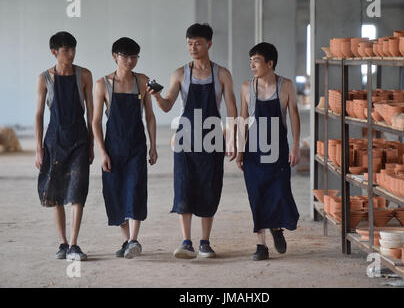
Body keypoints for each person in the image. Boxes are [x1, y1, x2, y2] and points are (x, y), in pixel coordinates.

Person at [147, 23, 237, 259]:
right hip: (186, 137)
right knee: (184, 187)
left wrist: (233, 140)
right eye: (189, 43)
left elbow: (232, 109)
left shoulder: (222, 74)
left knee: (209, 187)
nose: (193, 47)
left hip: (212, 137)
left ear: (209, 44)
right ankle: (186, 242)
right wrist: (157, 96)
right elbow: (167, 106)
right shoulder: (180, 74)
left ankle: (205, 243)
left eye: (197, 43)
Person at [92, 37, 157, 259]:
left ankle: (133, 239)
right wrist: (102, 152)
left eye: (134, 57)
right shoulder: (103, 84)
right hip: (113, 148)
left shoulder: (142, 81)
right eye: (125, 56)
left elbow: (149, 116)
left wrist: (153, 145)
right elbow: (95, 121)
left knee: (135, 190)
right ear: (115, 57)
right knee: (115, 194)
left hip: (137, 146)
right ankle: (128, 240)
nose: (130, 61)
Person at [236, 42, 300, 261]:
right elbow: (243, 119)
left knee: (280, 192)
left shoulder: (286, 86)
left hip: (278, 150)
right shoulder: (246, 87)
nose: (252, 65)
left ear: (270, 63)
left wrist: (295, 146)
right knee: (256, 196)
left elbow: (294, 116)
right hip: (253, 151)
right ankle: (260, 245)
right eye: (250, 61)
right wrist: (240, 148)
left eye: (256, 61)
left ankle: (276, 228)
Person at [35, 31, 94, 261]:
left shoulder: (84, 75)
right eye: (66, 50)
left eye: (73, 49)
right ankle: (62, 242)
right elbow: (39, 114)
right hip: (54, 141)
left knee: (78, 192)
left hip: (79, 140)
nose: (71, 54)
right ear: (54, 52)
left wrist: (91, 143)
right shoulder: (45, 78)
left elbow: (92, 114)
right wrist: (39, 149)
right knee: (56, 194)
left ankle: (74, 244)